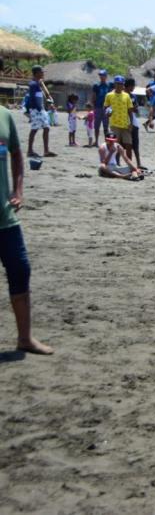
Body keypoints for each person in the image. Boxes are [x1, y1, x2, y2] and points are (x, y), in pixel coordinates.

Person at [0, 105, 54, 355]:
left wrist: (18, 191)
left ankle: (25, 338)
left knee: (21, 269)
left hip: (4, 216)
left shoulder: (5, 116)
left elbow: (17, 155)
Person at [27, 65, 56, 158]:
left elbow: (41, 96)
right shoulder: (33, 84)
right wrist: (36, 109)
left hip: (41, 109)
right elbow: (33, 98)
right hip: (36, 109)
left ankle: (46, 151)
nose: (43, 73)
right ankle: (29, 150)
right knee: (34, 129)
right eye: (41, 72)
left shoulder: (37, 84)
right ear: (37, 73)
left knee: (46, 128)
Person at [104, 76, 134, 162]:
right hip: (114, 124)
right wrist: (107, 112)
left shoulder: (126, 96)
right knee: (116, 145)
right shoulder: (109, 95)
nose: (119, 86)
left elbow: (130, 111)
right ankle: (116, 162)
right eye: (118, 84)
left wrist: (131, 123)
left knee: (129, 145)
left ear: (123, 85)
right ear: (115, 84)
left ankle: (130, 163)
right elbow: (105, 107)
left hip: (125, 124)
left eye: (121, 84)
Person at [124, 78, 143, 169]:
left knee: (135, 144)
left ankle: (138, 163)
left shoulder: (133, 96)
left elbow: (136, 109)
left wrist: (134, 108)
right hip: (123, 122)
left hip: (133, 122)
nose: (134, 87)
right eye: (133, 86)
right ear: (128, 86)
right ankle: (125, 163)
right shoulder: (122, 95)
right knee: (123, 144)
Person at [91, 69, 112, 146]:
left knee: (106, 126)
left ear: (106, 76)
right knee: (97, 125)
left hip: (106, 108)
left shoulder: (109, 85)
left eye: (103, 75)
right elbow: (94, 96)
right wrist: (93, 106)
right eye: (100, 75)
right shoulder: (96, 85)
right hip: (98, 107)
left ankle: (106, 142)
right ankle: (96, 141)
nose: (101, 77)